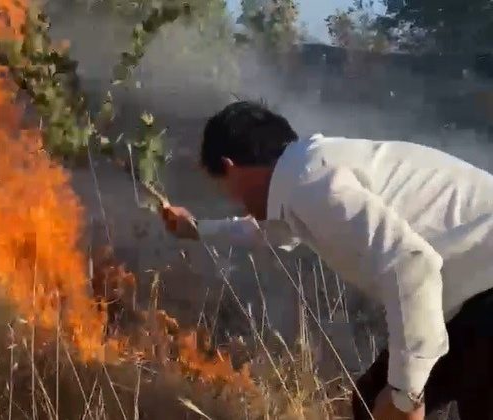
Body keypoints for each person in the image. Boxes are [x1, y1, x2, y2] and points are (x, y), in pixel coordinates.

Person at [160, 101, 493, 420]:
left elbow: (413, 266)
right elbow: (270, 231)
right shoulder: (305, 174)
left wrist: (407, 395)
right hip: (475, 294)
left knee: (407, 399)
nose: (236, 203)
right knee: (374, 401)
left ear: (230, 166)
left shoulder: (311, 182)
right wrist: (199, 230)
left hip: (484, 293)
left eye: (225, 188)